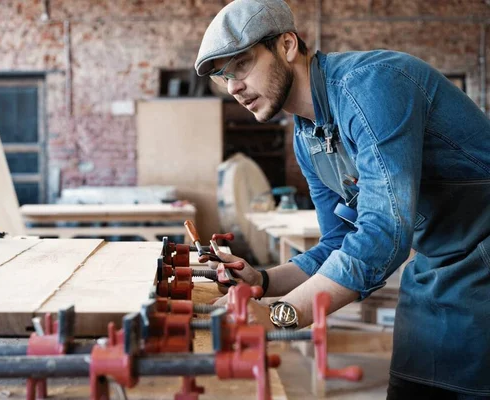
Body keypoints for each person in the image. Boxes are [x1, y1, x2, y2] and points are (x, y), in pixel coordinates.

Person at [194, 0, 490, 398]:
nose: (233, 87)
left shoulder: (370, 86)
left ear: (286, 45)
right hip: (440, 267)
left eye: (242, 65)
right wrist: (263, 281)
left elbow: (385, 233)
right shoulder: (308, 136)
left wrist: (278, 317)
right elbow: (338, 242)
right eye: (222, 77)